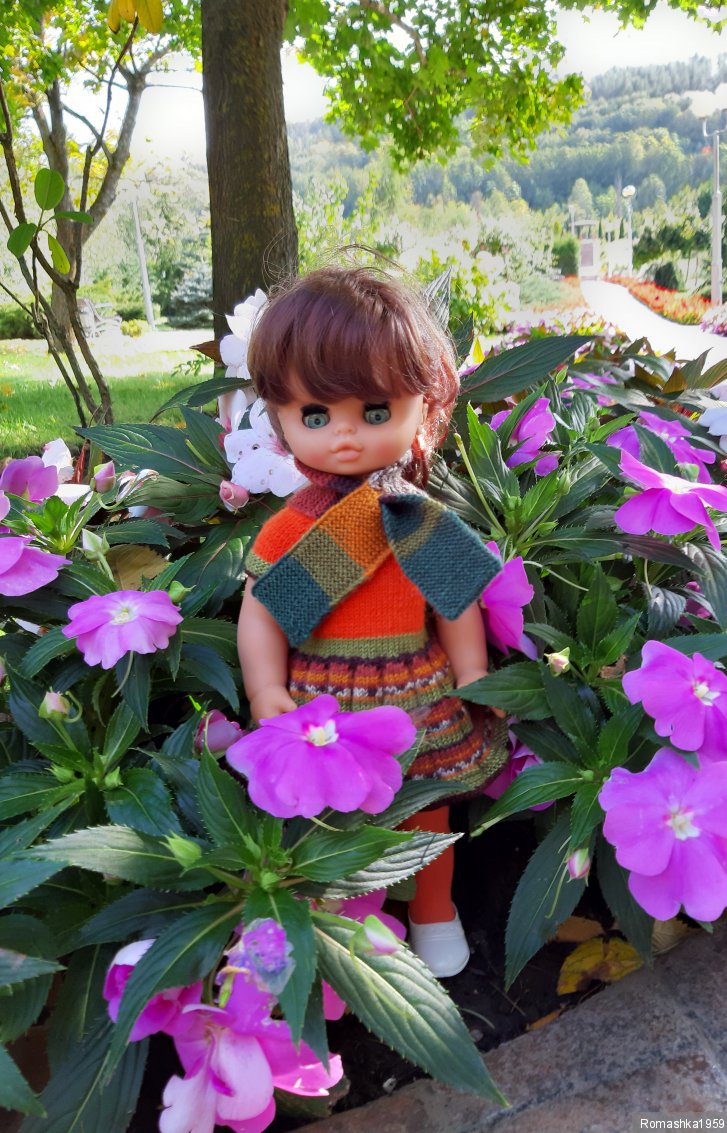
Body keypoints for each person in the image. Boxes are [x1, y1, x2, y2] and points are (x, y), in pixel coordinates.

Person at [237, 265, 507, 977]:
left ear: (424, 403)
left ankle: (433, 908)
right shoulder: (289, 530)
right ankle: (354, 921)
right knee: (333, 820)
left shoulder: (417, 518)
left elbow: (454, 602)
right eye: (315, 416)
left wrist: (474, 671)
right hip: (321, 702)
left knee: (427, 812)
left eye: (376, 410)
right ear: (280, 416)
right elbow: (262, 614)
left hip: (416, 692)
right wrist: (265, 687)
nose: (346, 436)